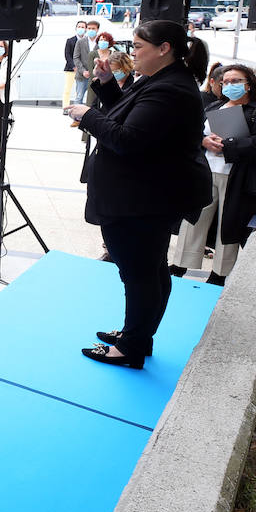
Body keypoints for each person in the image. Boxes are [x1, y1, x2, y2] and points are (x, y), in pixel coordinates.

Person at [65, 20, 212, 369]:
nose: (133, 52)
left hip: (141, 198)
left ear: (164, 49)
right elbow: (128, 116)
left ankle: (132, 347)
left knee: (139, 274)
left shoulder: (170, 89)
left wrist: (87, 116)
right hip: (145, 194)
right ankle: (138, 335)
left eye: (139, 46)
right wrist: (103, 84)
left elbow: (128, 139)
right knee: (151, 270)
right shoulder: (161, 81)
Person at [172, 65, 256, 285]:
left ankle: (220, 272)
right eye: (226, 82)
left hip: (238, 178)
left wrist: (229, 145)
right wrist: (203, 141)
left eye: (236, 81)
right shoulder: (215, 105)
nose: (230, 85)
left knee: (228, 225)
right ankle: (181, 263)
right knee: (194, 219)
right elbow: (193, 132)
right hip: (206, 172)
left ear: (249, 84)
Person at [72, 20, 99, 116]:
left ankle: (90, 117)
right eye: (89, 28)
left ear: (97, 30)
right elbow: (76, 57)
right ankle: (76, 117)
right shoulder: (80, 42)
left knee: (93, 99)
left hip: (95, 76)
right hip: (82, 75)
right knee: (79, 97)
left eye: (93, 29)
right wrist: (83, 71)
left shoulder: (100, 43)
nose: (91, 30)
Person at [84, 30, 115, 103]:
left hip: (108, 83)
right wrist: (99, 78)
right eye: (101, 40)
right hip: (94, 83)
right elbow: (91, 70)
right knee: (91, 104)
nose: (103, 42)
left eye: (105, 40)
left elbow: (114, 69)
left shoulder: (113, 54)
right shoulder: (92, 54)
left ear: (109, 42)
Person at [62, 20, 85, 107]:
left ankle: (77, 107)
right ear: (76, 28)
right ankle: (65, 107)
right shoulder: (70, 40)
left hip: (82, 70)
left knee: (79, 90)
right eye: (79, 27)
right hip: (71, 69)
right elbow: (67, 55)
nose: (81, 28)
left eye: (83, 27)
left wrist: (81, 68)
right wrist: (74, 66)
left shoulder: (86, 41)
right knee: (67, 89)